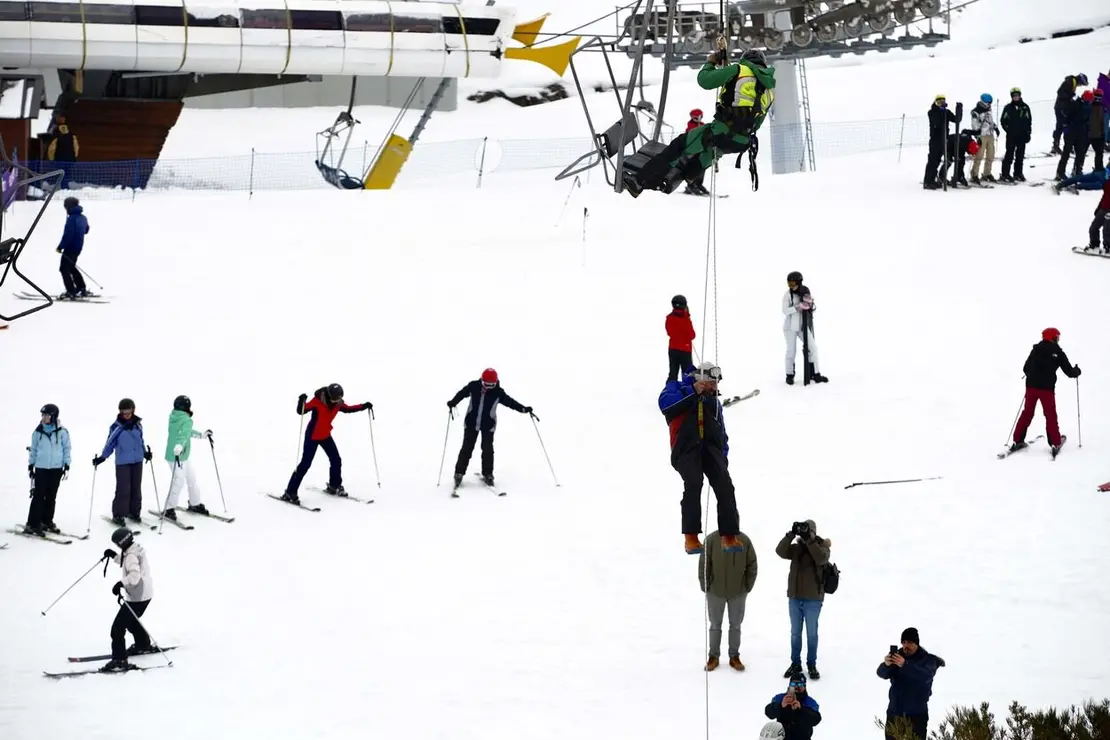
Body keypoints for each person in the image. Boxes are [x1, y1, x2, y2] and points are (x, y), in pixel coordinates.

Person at [622, 47, 775, 197]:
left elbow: (704, 80)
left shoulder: (739, 70)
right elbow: (757, 123)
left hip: (720, 132)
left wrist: (710, 63)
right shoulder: (769, 90)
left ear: (745, 61)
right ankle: (680, 177)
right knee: (706, 154)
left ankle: (639, 181)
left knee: (679, 146)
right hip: (741, 142)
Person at [659, 361, 743, 555]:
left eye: (716, 383)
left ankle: (729, 535)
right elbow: (666, 405)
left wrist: (723, 454)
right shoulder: (678, 388)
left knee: (725, 486)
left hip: (711, 449)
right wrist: (693, 390)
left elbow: (721, 430)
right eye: (710, 382)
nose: (714, 387)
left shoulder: (713, 401)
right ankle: (691, 536)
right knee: (694, 483)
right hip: (686, 449)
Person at [281, 384, 372, 505]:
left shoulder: (338, 404)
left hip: (325, 435)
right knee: (305, 464)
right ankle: (290, 492)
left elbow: (348, 409)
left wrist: (364, 406)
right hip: (312, 437)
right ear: (329, 396)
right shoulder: (317, 401)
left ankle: (334, 485)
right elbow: (301, 410)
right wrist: (301, 400)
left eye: (339, 399)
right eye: (335, 399)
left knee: (336, 460)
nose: (338, 401)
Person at [447, 369, 532, 488]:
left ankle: (488, 474)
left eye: (491, 385)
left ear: (495, 383)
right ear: (481, 380)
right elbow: (461, 393)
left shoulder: (498, 393)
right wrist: (453, 402)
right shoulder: (473, 386)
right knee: (466, 448)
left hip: (488, 425)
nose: (488, 387)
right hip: (471, 423)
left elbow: (511, 403)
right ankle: (459, 473)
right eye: (485, 384)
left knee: (487, 450)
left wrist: (523, 409)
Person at [1010, 328, 1081, 457]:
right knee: (1050, 415)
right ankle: (1055, 442)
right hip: (1046, 389)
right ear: (1052, 337)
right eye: (1057, 337)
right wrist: (1077, 371)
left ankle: (1017, 440)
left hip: (1031, 387)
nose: (1058, 340)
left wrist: (1032, 375)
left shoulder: (1036, 349)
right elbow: (1069, 372)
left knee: (1027, 413)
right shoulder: (1057, 352)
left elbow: (1025, 368)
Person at [776, 519, 831, 680]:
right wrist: (790, 535)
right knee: (795, 633)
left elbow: (821, 559)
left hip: (813, 600)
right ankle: (795, 663)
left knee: (812, 634)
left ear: (814, 531)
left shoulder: (822, 547)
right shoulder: (797, 548)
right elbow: (780, 551)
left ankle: (811, 664)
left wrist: (809, 540)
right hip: (794, 598)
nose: (806, 533)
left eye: (808, 530)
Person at [698, 528, 757, 671]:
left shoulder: (744, 540)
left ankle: (734, 657)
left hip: (738, 592)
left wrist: (747, 586)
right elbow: (704, 564)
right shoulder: (711, 539)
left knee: (736, 625)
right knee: (715, 625)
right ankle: (713, 657)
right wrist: (706, 586)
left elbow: (752, 565)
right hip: (715, 591)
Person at [100, 527, 155, 673]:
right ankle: (142, 645)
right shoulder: (134, 550)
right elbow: (128, 562)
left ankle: (119, 660)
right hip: (144, 594)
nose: (117, 546)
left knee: (117, 628)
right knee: (131, 622)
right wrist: (114, 556)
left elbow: (134, 576)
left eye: (117, 544)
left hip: (137, 597)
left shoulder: (131, 556)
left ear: (122, 542)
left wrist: (121, 583)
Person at [878, 628, 946, 740]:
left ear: (916, 644)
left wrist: (905, 665)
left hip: (917, 716)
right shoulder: (897, 657)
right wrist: (886, 664)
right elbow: (881, 674)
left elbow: (925, 676)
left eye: (909, 642)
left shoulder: (928, 660)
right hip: (895, 713)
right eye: (903, 642)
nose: (906, 646)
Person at [93, 398, 151, 526]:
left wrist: (145, 453)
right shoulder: (117, 426)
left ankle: (134, 512)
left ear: (133, 410)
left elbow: (140, 441)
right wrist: (103, 457)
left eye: (128, 410)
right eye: (123, 411)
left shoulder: (138, 425)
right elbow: (110, 443)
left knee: (136, 487)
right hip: (123, 462)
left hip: (137, 460)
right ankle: (118, 514)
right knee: (123, 488)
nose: (126, 413)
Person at [161, 395, 212, 520]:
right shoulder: (186, 419)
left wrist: (201, 435)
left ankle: (195, 503)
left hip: (181, 455)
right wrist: (179, 445)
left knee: (191, 478)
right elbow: (183, 435)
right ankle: (168, 509)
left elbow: (186, 431)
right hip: (177, 456)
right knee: (179, 481)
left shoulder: (174, 416)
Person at [26, 403, 71, 535]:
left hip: (56, 468)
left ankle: (46, 521)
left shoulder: (63, 432)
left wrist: (67, 464)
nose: (44, 418)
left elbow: (66, 449)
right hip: (41, 468)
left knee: (51, 496)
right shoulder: (37, 432)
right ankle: (33, 523)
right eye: (43, 415)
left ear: (54, 416)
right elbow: (33, 450)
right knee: (39, 496)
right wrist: (31, 465)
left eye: (47, 415)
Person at [783, 272, 828, 385]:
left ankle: (815, 374)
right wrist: (798, 307)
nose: (790, 286)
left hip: (802, 326)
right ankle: (789, 375)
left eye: (793, 283)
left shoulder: (804, 291)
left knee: (813, 347)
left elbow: (810, 306)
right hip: (790, 327)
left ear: (798, 282)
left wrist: (809, 303)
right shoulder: (787, 294)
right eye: (789, 283)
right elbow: (785, 310)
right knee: (791, 351)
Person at [764, 672, 822, 740]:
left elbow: (816, 719)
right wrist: (780, 706)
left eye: (800, 684)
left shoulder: (810, 702)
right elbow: (769, 712)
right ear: (789, 685)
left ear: (804, 686)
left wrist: (801, 709)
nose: (796, 687)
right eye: (793, 684)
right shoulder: (780, 698)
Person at [56, 196, 89, 300]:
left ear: (69, 207)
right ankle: (81, 287)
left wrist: (60, 247)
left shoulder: (71, 219)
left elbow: (68, 234)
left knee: (64, 269)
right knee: (71, 267)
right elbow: (86, 230)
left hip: (70, 247)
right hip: (78, 247)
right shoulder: (83, 217)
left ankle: (71, 291)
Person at [923, 95, 957, 190]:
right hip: (935, 140)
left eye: (943, 101)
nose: (941, 104)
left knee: (937, 161)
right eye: (939, 102)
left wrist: (959, 110)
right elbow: (936, 121)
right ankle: (928, 181)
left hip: (943, 140)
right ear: (935, 102)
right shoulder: (932, 112)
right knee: (932, 161)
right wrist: (942, 111)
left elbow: (956, 120)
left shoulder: (946, 112)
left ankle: (932, 179)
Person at [1057, 91, 1092, 181]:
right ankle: (1060, 173)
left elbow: (1088, 120)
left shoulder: (1089, 107)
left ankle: (1077, 170)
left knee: (1081, 153)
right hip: (1071, 132)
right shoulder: (1074, 105)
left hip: (1081, 133)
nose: (1088, 102)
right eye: (1087, 100)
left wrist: (1087, 130)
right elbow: (1065, 115)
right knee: (1067, 152)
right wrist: (1065, 127)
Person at [999, 87, 1032, 183]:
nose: (1016, 97)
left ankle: (1018, 173)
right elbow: (1003, 121)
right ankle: (1005, 174)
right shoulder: (1008, 108)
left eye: (1017, 96)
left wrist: (1028, 132)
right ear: (1012, 97)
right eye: (1014, 96)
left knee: (1020, 155)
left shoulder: (1025, 107)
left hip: (1022, 135)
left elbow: (1028, 121)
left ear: (1020, 96)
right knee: (1009, 154)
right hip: (1011, 136)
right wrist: (1008, 130)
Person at [1053, 73, 1087, 155]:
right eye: (1081, 84)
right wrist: (1071, 96)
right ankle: (1056, 145)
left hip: (1064, 107)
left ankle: (1067, 145)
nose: (1080, 85)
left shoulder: (1072, 82)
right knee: (1060, 125)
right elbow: (1060, 92)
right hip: (1060, 107)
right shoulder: (1069, 82)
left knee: (1066, 125)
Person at [969, 94, 999, 184]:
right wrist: (977, 135)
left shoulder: (989, 110)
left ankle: (987, 173)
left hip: (990, 135)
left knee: (990, 155)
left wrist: (995, 127)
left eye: (990, 102)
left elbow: (990, 121)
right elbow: (974, 124)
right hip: (982, 136)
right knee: (979, 156)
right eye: (988, 102)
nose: (989, 104)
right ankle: (974, 175)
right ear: (983, 101)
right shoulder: (976, 111)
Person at [666, 294, 696, 383]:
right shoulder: (685, 319)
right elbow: (692, 335)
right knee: (687, 374)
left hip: (672, 349)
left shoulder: (669, 318)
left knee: (673, 373)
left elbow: (669, 333)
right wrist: (687, 318)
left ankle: (670, 390)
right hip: (685, 350)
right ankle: (687, 393)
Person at [1081, 170, 1110, 253]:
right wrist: (1099, 207)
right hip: (1104, 208)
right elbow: (1105, 196)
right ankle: (1094, 245)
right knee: (1093, 228)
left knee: (1107, 230)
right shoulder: (1107, 183)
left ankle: (1108, 247)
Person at [46, 117, 79, 189]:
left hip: (59, 159)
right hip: (70, 159)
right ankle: (65, 187)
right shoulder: (72, 135)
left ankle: (63, 187)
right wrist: (74, 156)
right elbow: (76, 147)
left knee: (61, 173)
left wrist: (51, 159)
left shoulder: (56, 135)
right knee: (66, 173)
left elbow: (51, 149)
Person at [683, 109, 709, 195]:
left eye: (700, 117)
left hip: (702, 151)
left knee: (702, 168)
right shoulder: (690, 126)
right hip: (693, 152)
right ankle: (691, 185)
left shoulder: (702, 125)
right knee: (694, 168)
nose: (698, 119)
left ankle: (699, 184)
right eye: (695, 118)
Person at [1085, 89, 1106, 173]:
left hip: (1096, 134)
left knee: (1099, 152)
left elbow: (1102, 122)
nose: (1097, 99)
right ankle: (1077, 169)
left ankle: (1099, 168)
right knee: (1097, 152)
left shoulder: (1100, 107)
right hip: (1091, 133)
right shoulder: (1089, 106)